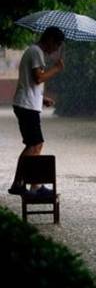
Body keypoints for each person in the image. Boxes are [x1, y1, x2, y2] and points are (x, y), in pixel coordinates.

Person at [8, 27, 65, 196]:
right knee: (34, 144)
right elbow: (38, 77)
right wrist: (56, 69)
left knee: (35, 144)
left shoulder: (34, 52)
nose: (55, 50)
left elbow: (31, 83)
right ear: (49, 40)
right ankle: (24, 183)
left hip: (29, 103)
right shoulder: (36, 52)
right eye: (56, 45)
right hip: (26, 105)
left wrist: (42, 98)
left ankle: (31, 183)